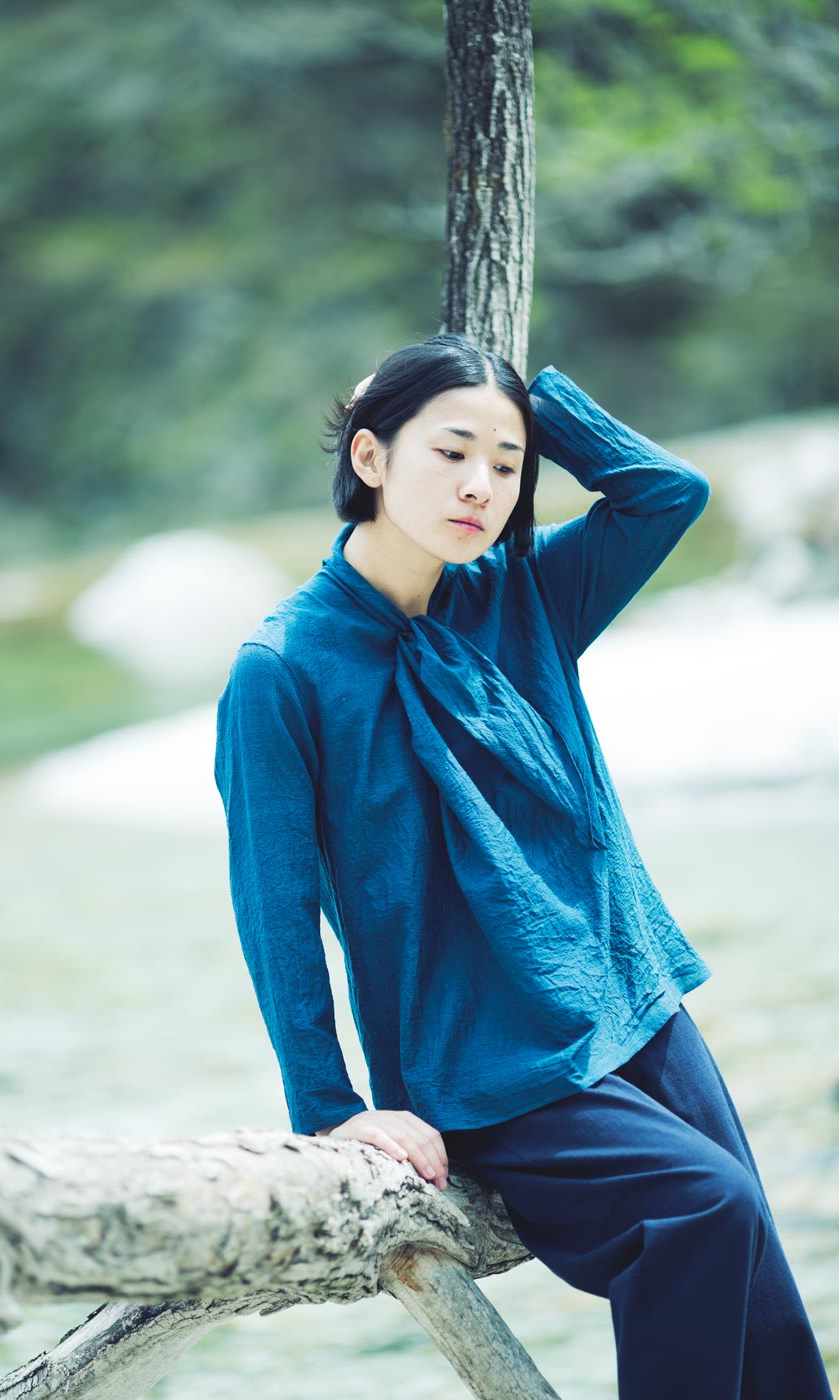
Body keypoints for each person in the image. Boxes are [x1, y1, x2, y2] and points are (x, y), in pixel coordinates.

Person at [213, 332, 831, 1400]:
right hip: (483, 1065)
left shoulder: (523, 596)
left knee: (765, 1306)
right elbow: (276, 911)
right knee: (703, 1205)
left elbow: (666, 492)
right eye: (450, 451)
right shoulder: (280, 671)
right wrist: (332, 1104)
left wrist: (523, 391)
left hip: (636, 1007)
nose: (482, 486)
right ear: (370, 458)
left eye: (508, 464)